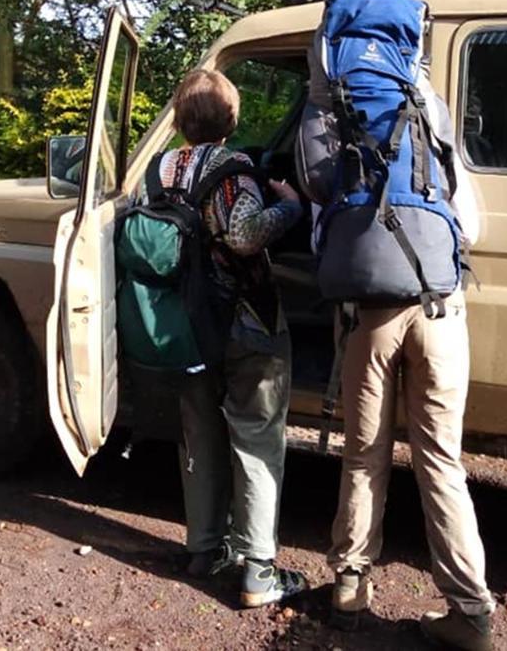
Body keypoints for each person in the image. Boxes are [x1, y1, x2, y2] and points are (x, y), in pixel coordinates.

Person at [327, 148, 497, 650]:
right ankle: (469, 609)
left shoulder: (346, 125)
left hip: (371, 312)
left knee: (364, 455)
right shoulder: (433, 125)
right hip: (440, 309)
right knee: (442, 462)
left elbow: (325, 228)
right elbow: (470, 230)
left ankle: (350, 588)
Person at [151, 68, 309, 608]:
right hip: (245, 323)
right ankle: (259, 571)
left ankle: (202, 549)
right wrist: (290, 205)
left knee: (199, 436)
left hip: (184, 328)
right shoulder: (235, 170)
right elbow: (244, 236)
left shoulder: (161, 169)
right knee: (257, 435)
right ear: (231, 118)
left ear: (178, 120)